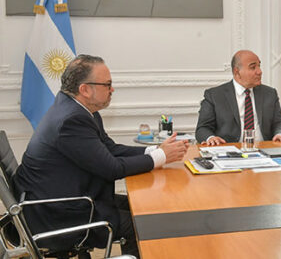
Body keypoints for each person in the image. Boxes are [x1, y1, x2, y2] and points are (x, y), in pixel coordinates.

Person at [13, 55, 188, 257]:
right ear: (85, 90)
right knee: (142, 223)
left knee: (143, 205)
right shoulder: (71, 120)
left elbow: (109, 149)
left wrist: (155, 150)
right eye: (107, 84)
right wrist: (162, 157)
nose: (112, 89)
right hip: (58, 214)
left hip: (69, 197)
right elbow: (111, 168)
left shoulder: (80, 109)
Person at [196, 50, 281, 145]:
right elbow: (202, 128)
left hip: (265, 150)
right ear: (237, 72)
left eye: (259, 66)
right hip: (229, 152)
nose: (259, 71)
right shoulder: (215, 95)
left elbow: (279, 123)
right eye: (253, 67)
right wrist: (210, 138)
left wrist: (280, 134)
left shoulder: (270, 93)